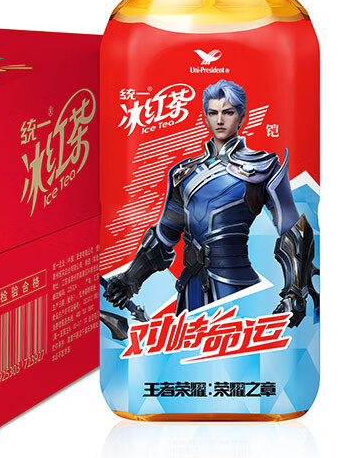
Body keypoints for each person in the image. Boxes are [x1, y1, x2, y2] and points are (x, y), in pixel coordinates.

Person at [103, 79, 317, 326]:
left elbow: (295, 232)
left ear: (241, 116)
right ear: (205, 116)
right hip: (190, 290)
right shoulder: (184, 173)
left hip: (237, 287)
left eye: (228, 112)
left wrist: (295, 293)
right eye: (213, 113)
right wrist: (129, 279)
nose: (220, 120)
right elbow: (163, 238)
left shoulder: (261, 167)